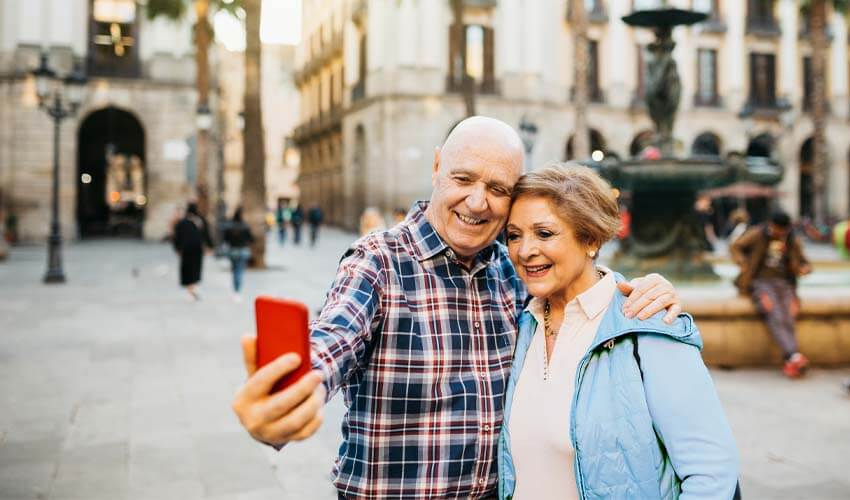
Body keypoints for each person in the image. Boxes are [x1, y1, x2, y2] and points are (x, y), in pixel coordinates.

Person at [232, 116, 684, 499]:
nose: (477, 202)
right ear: (436, 168)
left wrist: (641, 288)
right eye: (463, 179)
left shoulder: (514, 272)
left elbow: (581, 289)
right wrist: (288, 402)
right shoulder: (378, 262)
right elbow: (331, 343)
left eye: (497, 188)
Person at [497, 164, 739, 499]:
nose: (524, 251)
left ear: (591, 239)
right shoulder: (522, 323)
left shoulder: (648, 324)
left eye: (544, 233)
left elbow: (711, 473)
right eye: (514, 235)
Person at [730, 210, 813, 378]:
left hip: (785, 284)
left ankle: (792, 357)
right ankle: (792, 355)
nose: (780, 233)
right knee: (773, 312)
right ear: (771, 225)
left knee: (789, 316)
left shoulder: (791, 239)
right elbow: (735, 246)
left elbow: (806, 263)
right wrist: (743, 263)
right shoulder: (757, 234)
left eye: (783, 230)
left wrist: (803, 269)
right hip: (761, 282)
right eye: (777, 229)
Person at [173, 202, 212, 301]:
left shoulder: (182, 222)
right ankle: (193, 288)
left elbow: (177, 237)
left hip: (186, 249)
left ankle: (190, 289)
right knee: (195, 268)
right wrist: (210, 246)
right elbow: (206, 235)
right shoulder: (200, 221)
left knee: (187, 269)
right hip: (197, 249)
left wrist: (177, 248)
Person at [223, 207, 254, 302]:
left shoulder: (229, 226)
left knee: (235, 271)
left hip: (233, 251)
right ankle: (237, 291)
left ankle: (236, 291)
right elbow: (251, 239)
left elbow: (226, 239)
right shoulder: (245, 226)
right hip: (243, 251)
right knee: (239, 271)